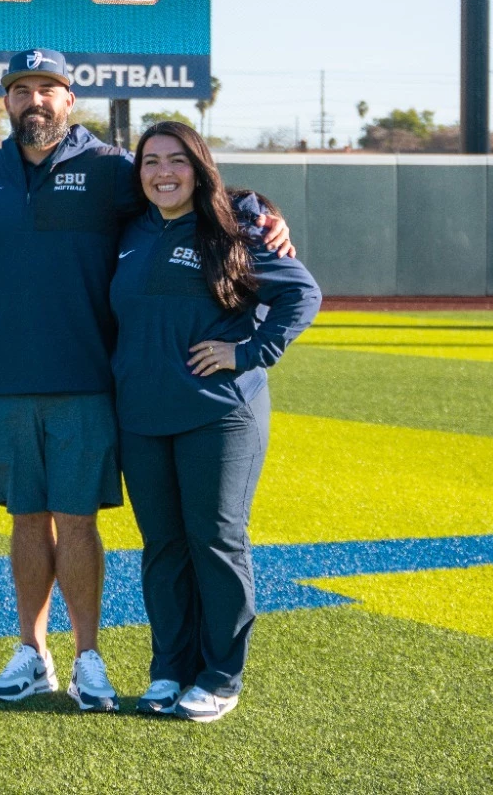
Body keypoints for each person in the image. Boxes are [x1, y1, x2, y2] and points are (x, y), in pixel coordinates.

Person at [0, 51, 293, 713]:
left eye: (48, 89)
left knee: (83, 521)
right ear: (7, 102)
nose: (35, 101)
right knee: (29, 521)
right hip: (4, 377)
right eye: (22, 90)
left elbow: (187, 187)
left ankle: (92, 658)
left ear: (69, 99)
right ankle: (33, 653)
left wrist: (256, 206)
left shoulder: (111, 170)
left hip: (90, 379)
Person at [111, 121, 321, 723]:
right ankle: (169, 670)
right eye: (150, 162)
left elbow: (301, 294)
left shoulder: (231, 231)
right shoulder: (127, 233)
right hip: (142, 417)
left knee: (217, 543)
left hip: (220, 415)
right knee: (163, 548)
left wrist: (248, 352)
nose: (162, 173)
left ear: (199, 169)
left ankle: (220, 677)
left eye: (177, 161)